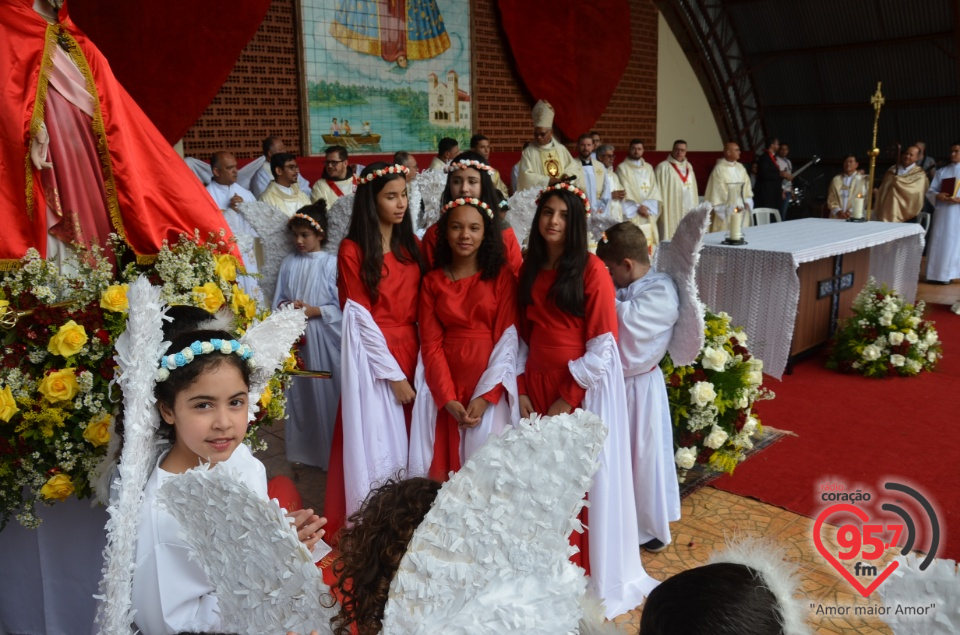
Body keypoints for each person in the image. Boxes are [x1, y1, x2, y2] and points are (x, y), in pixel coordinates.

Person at [1, 0, 240, 268]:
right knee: (56, 206)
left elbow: (106, 95)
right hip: (47, 141)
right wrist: (34, 126)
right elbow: (9, 85)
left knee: (94, 209)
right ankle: (64, 286)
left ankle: (101, 277)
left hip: (87, 141)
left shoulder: (69, 30)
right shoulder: (9, 20)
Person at [130, 327, 326, 635]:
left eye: (236, 402)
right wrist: (270, 566)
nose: (224, 423)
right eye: (203, 405)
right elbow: (170, 625)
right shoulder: (163, 513)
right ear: (168, 410)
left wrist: (279, 533)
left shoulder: (238, 459)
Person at [517, 183, 655, 616]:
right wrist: (521, 387)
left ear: (576, 223)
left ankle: (580, 570)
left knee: (577, 482)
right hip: (536, 382)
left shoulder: (592, 269)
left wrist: (567, 397)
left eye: (562, 215)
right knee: (539, 482)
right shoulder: (531, 266)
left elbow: (603, 346)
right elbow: (523, 335)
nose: (553, 221)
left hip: (576, 388)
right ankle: (545, 565)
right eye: (547, 213)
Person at [323, 162, 423, 543]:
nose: (400, 204)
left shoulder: (409, 245)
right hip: (376, 357)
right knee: (380, 444)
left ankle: (413, 518)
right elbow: (360, 319)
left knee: (415, 441)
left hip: (413, 349)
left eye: (404, 195)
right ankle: (380, 527)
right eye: (391, 196)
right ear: (371, 200)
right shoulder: (353, 250)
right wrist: (393, 375)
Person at [409, 197, 518, 481]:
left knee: (486, 471)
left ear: (486, 233)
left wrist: (485, 398)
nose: (465, 235)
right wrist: (446, 398)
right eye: (457, 227)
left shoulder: (502, 277)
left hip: (490, 384)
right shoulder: (432, 282)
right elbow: (430, 344)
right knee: (446, 471)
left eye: (474, 228)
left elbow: (508, 341)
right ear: (445, 232)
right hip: (447, 387)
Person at [596, 222, 681, 554]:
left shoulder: (661, 290)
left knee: (643, 458)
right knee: (616, 457)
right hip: (615, 386)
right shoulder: (630, 284)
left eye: (611, 270)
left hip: (641, 389)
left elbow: (627, 323)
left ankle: (648, 528)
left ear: (628, 265)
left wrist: (602, 289)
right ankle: (616, 520)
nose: (611, 278)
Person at [273, 204, 342, 469]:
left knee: (325, 390)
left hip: (323, 338)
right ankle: (307, 451)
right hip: (297, 340)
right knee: (302, 394)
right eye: (295, 235)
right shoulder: (289, 262)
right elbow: (279, 298)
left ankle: (331, 455)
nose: (299, 241)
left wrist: (316, 311)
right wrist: (286, 309)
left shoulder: (330, 264)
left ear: (320, 235)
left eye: (305, 235)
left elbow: (344, 307)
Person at [420, 151, 523, 274]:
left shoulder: (502, 230)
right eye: (457, 181)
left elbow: (515, 274)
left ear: (484, 185)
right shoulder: (435, 234)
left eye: (472, 182)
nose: (464, 189)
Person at [205, 151, 263, 303]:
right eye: (230, 168)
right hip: (224, 259)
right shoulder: (206, 196)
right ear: (216, 171)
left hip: (247, 257)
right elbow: (209, 230)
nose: (235, 171)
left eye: (236, 166)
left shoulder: (246, 194)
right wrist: (231, 212)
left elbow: (258, 226)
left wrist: (247, 209)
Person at [517, 100, 585, 191]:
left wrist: (567, 174)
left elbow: (573, 167)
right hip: (540, 196)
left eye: (542, 134)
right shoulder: (528, 151)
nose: (539, 137)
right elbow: (525, 177)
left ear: (551, 132)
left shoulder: (561, 149)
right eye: (536, 134)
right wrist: (547, 181)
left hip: (561, 193)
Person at [925, 143, 960, 284]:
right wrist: (938, 196)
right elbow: (931, 191)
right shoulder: (942, 171)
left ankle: (950, 273)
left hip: (957, 212)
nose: (952, 154)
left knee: (954, 242)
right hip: (943, 212)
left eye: (956, 151)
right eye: (951, 151)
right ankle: (935, 274)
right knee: (940, 241)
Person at [616, 139, 662, 248]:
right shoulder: (622, 168)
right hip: (632, 213)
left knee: (649, 244)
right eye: (633, 149)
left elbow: (654, 189)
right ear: (629, 150)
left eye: (639, 149)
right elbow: (624, 190)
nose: (636, 151)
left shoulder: (649, 168)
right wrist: (638, 207)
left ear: (643, 150)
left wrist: (647, 207)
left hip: (647, 213)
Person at [704, 142, 754, 232]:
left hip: (742, 209)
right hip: (728, 211)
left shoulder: (740, 167)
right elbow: (719, 192)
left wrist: (747, 201)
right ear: (728, 152)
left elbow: (747, 186)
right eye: (736, 150)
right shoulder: (719, 169)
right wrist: (734, 206)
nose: (739, 152)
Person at [654, 139, 699, 241]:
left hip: (689, 209)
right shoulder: (663, 167)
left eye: (682, 150)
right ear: (672, 150)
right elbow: (656, 193)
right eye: (677, 149)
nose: (679, 152)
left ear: (686, 152)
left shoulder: (689, 167)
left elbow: (694, 191)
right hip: (671, 211)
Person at [875, 145, 929, 223]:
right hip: (888, 210)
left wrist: (897, 181)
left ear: (917, 158)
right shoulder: (892, 170)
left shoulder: (919, 174)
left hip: (908, 214)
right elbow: (884, 188)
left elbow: (916, 192)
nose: (907, 156)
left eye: (911, 155)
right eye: (906, 153)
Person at [259, 153, 312, 218]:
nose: (297, 171)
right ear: (278, 171)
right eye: (291, 167)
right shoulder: (266, 199)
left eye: (296, 167)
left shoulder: (301, 195)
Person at [311, 145, 357, 211]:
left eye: (334, 162)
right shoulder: (319, 186)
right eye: (327, 162)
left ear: (345, 163)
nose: (329, 166)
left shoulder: (359, 180)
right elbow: (320, 214)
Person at [576, 133, 610, 214]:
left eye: (588, 145)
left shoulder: (600, 166)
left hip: (598, 210)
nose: (586, 148)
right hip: (580, 210)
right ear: (577, 146)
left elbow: (606, 189)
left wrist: (601, 207)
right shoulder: (572, 165)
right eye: (582, 145)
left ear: (593, 146)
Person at [826, 155, 867, 219]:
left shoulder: (862, 179)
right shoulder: (836, 179)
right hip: (837, 215)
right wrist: (838, 211)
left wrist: (850, 211)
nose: (848, 164)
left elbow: (863, 197)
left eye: (851, 162)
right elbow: (831, 197)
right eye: (846, 162)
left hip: (854, 214)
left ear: (856, 164)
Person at [470, 133, 510, 198]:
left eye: (488, 147)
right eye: (482, 147)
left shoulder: (493, 173)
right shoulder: (467, 169)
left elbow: (503, 193)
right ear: (473, 150)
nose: (487, 151)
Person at [753, 137, 786, 213]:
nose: (779, 146)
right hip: (767, 193)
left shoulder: (772, 157)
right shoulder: (764, 158)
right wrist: (779, 174)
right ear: (772, 145)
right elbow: (764, 174)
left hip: (774, 192)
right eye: (777, 144)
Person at [595, 144, 626, 222]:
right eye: (609, 156)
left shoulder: (614, 175)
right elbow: (592, 197)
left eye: (613, 156)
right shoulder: (594, 174)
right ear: (600, 157)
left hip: (615, 215)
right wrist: (610, 195)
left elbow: (619, 193)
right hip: (602, 216)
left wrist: (622, 195)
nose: (612, 159)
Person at [775, 142, 794, 220]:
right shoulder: (776, 160)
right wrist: (781, 190)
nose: (784, 151)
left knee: (785, 212)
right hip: (782, 190)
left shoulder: (788, 162)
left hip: (788, 189)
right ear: (779, 150)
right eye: (782, 149)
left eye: (786, 149)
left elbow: (790, 176)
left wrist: (792, 190)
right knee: (781, 212)